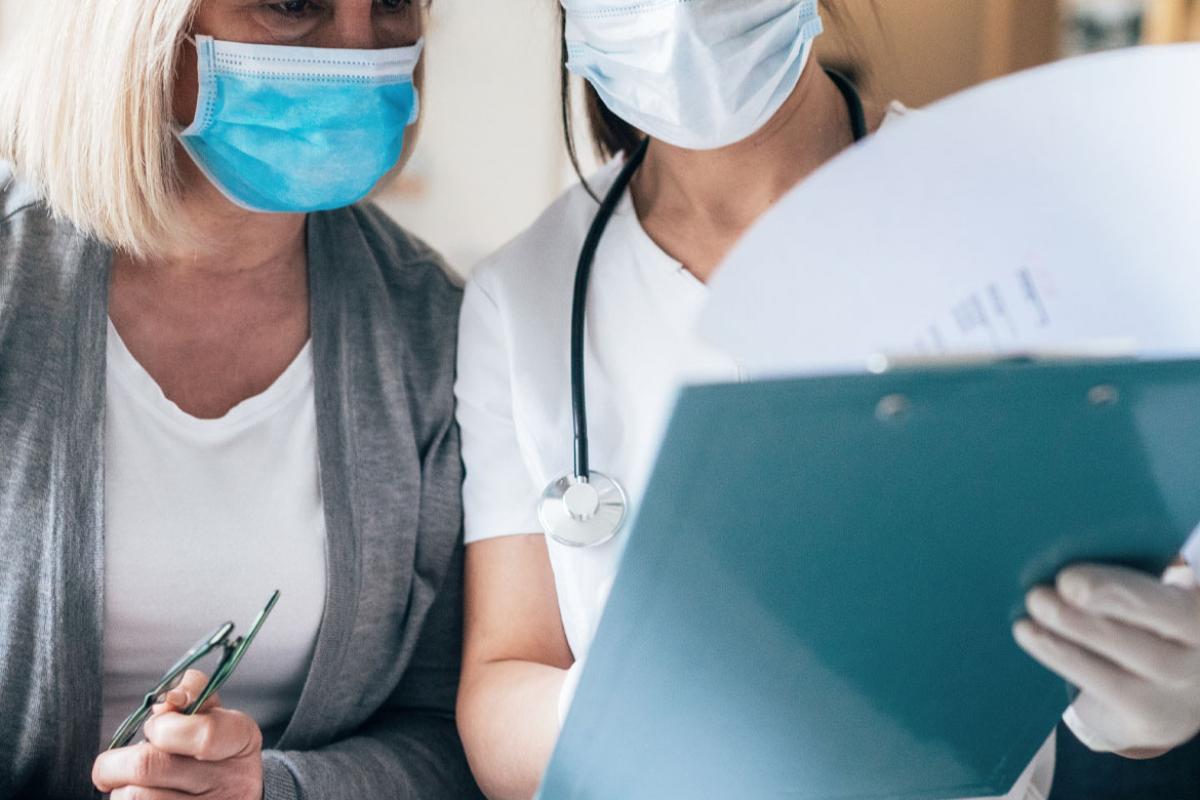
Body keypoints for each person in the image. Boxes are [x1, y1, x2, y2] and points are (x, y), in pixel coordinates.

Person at [452, 2, 1200, 799]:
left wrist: (1155, 693)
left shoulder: (1015, 212)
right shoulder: (522, 294)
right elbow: (502, 684)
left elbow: (1138, 568)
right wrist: (648, 708)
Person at [0, 1, 482, 798]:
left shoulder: (431, 330)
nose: (357, 51)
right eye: (291, 3)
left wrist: (271, 790)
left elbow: (445, 733)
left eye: (394, 2)